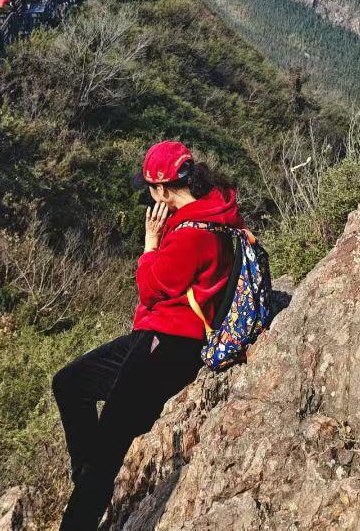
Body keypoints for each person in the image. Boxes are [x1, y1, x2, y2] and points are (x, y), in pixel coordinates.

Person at [52, 141, 244, 529]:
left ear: (161, 189)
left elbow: (152, 286)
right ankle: (87, 479)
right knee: (70, 383)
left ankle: (85, 501)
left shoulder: (191, 232)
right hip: (161, 337)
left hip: (168, 344)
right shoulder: (216, 211)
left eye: (151, 191)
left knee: (107, 447)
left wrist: (150, 246)